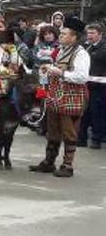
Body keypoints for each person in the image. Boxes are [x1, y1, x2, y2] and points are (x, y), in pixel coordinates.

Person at [30, 16, 90, 178]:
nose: (61, 36)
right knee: (53, 130)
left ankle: (67, 165)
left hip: (71, 97)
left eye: (64, 34)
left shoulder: (81, 54)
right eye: (61, 33)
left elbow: (82, 77)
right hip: (56, 95)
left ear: (74, 37)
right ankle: (49, 162)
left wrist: (60, 72)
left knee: (69, 132)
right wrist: (48, 69)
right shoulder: (62, 50)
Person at [79, 23, 106, 149]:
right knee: (84, 112)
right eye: (88, 33)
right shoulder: (84, 46)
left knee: (97, 113)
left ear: (100, 34)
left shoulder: (104, 48)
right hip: (85, 85)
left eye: (92, 33)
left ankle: (96, 139)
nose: (89, 36)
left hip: (100, 87)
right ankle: (81, 138)